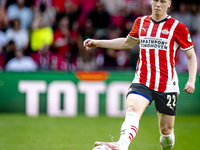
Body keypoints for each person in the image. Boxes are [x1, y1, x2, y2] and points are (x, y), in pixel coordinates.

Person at [83, 0, 197, 150]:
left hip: (167, 84)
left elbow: (191, 56)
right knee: (132, 109)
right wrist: (98, 43)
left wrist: (191, 80)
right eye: (155, 0)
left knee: (166, 131)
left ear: (169, 3)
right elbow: (126, 43)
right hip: (142, 80)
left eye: (162, 1)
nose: (158, 4)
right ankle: (121, 145)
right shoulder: (141, 22)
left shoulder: (178, 27)